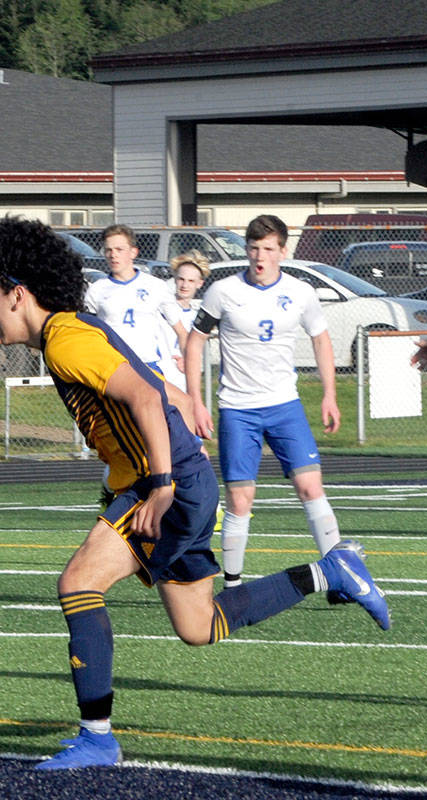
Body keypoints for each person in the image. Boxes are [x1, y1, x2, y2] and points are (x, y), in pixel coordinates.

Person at [0, 215, 388, 770]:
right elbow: (151, 384)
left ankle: (98, 737)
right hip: (174, 480)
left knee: (78, 584)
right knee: (200, 627)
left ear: (18, 294)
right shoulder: (74, 329)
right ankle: (331, 571)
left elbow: (144, 402)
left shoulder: (68, 341)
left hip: (163, 486)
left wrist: (164, 486)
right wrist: (185, 406)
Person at [184, 215, 343, 589]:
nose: (260, 256)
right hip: (238, 410)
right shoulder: (223, 291)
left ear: (282, 252)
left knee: (311, 488)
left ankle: (340, 576)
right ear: (246, 250)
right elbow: (194, 343)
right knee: (240, 499)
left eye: (268, 249)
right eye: (254, 248)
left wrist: (329, 394)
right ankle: (233, 585)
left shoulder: (301, 292)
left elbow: (321, 339)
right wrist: (196, 401)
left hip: (285, 406)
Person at [84, 224, 188, 377]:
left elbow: (181, 331)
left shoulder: (156, 286)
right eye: (108, 250)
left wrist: (187, 358)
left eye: (119, 250)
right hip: (113, 369)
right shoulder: (97, 289)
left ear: (133, 252)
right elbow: (89, 335)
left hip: (148, 366)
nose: (113, 255)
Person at [154, 250, 209, 387]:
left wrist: (190, 363)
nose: (185, 285)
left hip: (184, 378)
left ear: (199, 283)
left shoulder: (198, 314)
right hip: (162, 376)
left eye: (191, 281)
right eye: (181, 279)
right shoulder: (162, 308)